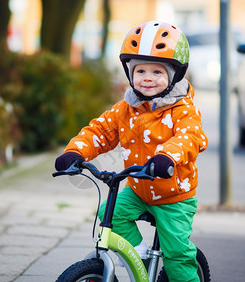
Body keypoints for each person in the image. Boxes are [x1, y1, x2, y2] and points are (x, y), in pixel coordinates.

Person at [55, 21, 208, 282]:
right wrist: (75, 153)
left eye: (157, 72)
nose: (147, 78)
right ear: (130, 73)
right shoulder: (126, 109)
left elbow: (190, 137)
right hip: (139, 189)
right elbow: (100, 131)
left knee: (177, 257)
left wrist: (166, 157)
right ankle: (140, 255)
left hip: (174, 196)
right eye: (140, 71)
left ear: (174, 76)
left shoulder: (182, 110)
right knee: (108, 214)